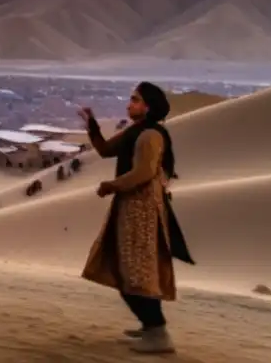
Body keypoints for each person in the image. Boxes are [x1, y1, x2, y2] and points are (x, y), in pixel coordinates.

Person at [79, 83, 194, 355]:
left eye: (135, 100)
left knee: (134, 271)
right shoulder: (137, 132)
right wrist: (92, 124)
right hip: (129, 206)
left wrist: (112, 185)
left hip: (141, 210)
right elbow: (106, 150)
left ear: (148, 106)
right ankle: (150, 327)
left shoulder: (151, 135)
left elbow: (143, 173)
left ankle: (158, 333)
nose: (129, 104)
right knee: (126, 268)